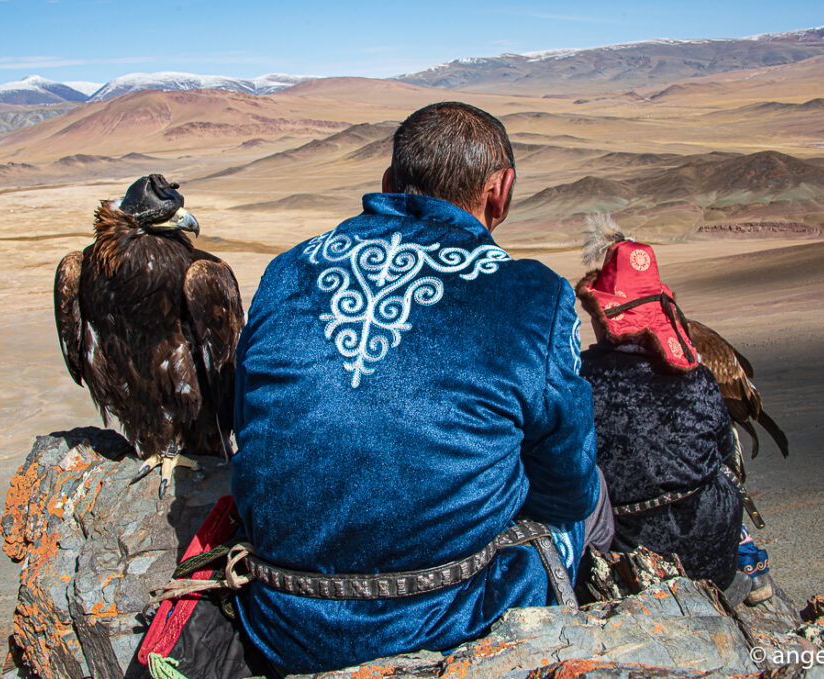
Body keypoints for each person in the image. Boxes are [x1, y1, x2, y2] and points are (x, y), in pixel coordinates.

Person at [231, 101, 612, 675]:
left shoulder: (286, 270)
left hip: (285, 621)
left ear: (387, 184)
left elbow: (249, 423)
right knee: (588, 501)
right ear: (499, 192)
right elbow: (567, 489)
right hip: (453, 615)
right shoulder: (532, 294)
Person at [575, 234, 748, 597]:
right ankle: (746, 551)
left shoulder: (579, 383)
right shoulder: (699, 378)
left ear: (603, 317)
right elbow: (723, 458)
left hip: (626, 562)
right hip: (712, 560)